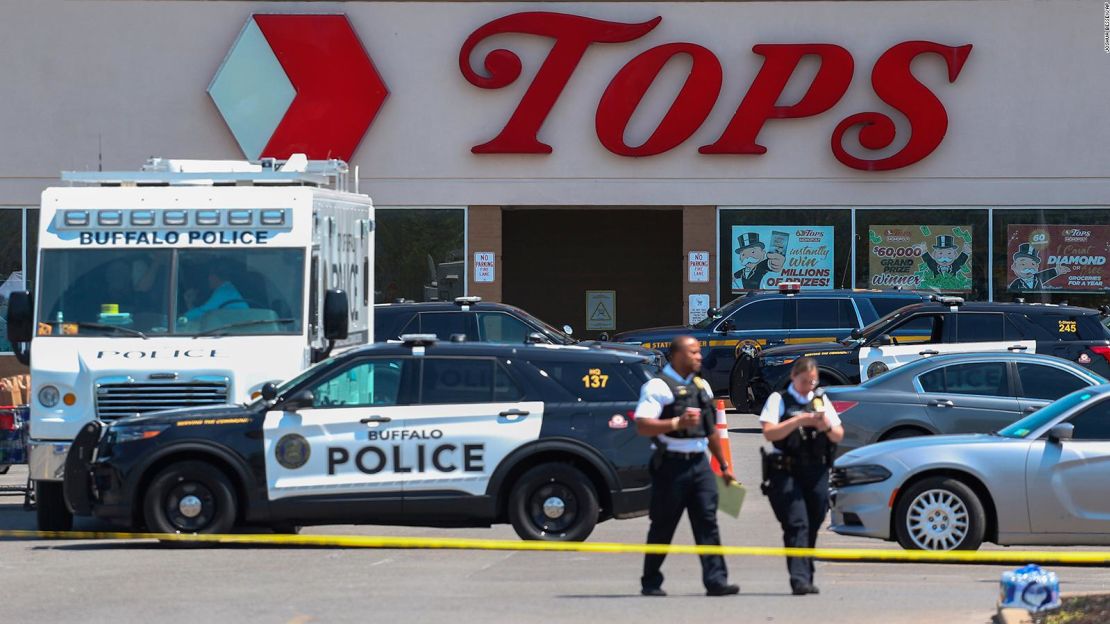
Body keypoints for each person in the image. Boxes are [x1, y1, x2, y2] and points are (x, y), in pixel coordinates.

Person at [634, 335, 739, 597]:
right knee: (663, 525)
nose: (699, 357)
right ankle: (651, 581)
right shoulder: (658, 386)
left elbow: (710, 429)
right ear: (679, 355)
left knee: (708, 522)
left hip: (700, 465)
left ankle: (716, 581)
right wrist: (675, 424)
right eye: (693, 352)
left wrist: (724, 467)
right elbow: (642, 424)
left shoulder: (701, 386)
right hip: (671, 465)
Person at [759, 356, 844, 596]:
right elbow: (770, 433)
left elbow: (838, 435)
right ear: (794, 377)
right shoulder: (780, 400)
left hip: (816, 469)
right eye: (805, 381)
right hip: (786, 470)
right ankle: (799, 579)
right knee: (797, 523)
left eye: (813, 381)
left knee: (815, 520)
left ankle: (805, 572)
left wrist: (824, 425)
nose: (809, 386)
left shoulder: (820, 400)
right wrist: (799, 420)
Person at [181, 264, 247, 323]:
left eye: (209, 276)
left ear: (214, 277)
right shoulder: (227, 288)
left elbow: (203, 312)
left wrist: (182, 318)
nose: (208, 279)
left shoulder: (224, 292)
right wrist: (189, 302)